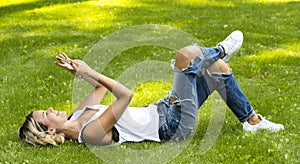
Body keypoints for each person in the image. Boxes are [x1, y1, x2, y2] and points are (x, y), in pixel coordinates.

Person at [19, 30, 284, 146]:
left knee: (218, 71)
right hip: (173, 127)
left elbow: (100, 88)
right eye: (45, 113)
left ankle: (252, 121)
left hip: (165, 109)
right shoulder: (89, 134)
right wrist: (90, 71)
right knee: (185, 56)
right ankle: (220, 51)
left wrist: (81, 71)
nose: (51, 108)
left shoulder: (77, 115)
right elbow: (125, 95)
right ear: (50, 129)